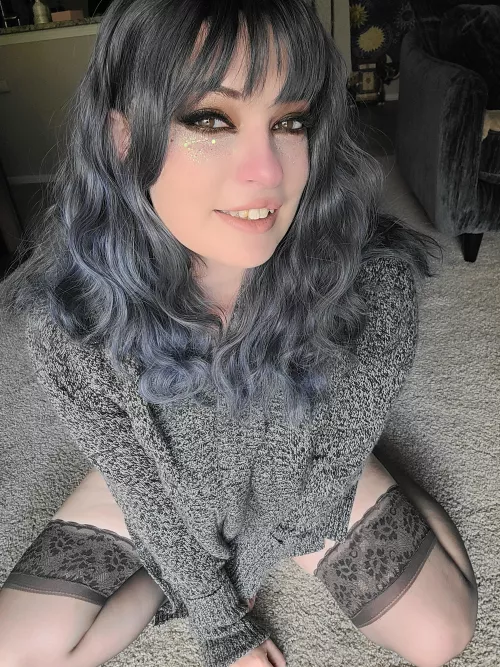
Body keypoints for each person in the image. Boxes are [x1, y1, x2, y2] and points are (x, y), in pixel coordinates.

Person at [0, 0, 478, 666]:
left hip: (305, 463)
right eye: (210, 119)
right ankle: (149, 520)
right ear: (123, 136)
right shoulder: (73, 321)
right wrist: (219, 619)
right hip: (163, 477)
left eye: (289, 121)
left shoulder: (372, 288)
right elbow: (149, 498)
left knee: (444, 635)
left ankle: (359, 459)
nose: (267, 173)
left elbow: (300, 504)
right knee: (17, 652)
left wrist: (242, 578)